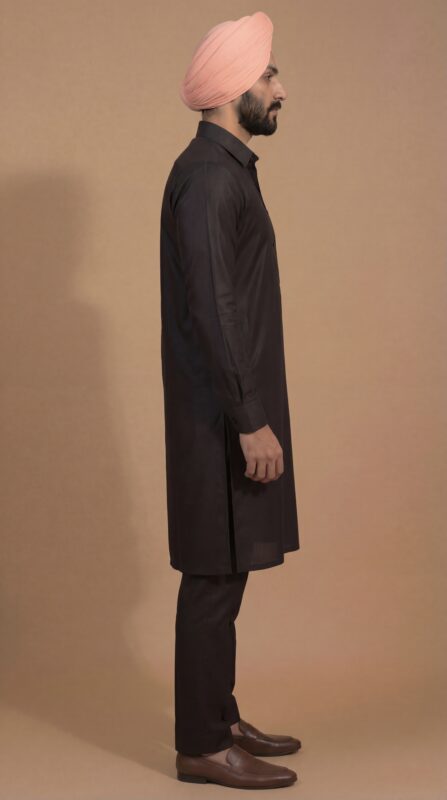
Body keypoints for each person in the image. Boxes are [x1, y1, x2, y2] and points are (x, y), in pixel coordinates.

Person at [159, 11, 302, 789]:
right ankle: (202, 745)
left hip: (224, 410)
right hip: (217, 419)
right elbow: (215, 306)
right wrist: (250, 419)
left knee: (226, 574)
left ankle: (218, 714)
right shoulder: (212, 178)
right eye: (268, 76)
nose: (279, 89)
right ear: (230, 89)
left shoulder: (223, 169)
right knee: (213, 579)